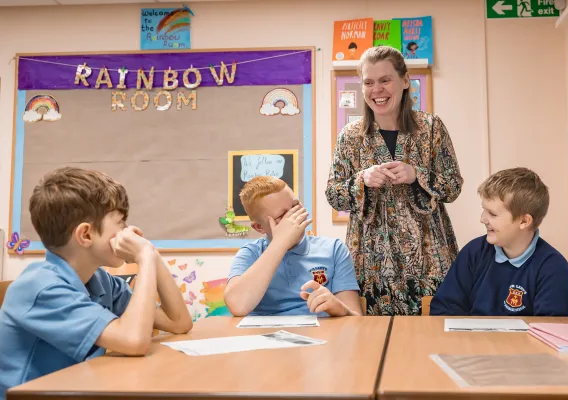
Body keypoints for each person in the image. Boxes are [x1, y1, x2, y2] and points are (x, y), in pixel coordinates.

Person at [0, 167, 192, 398]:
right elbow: (134, 341)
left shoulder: (100, 281)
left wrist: (151, 253)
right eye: (121, 223)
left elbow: (179, 323)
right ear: (86, 235)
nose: (128, 231)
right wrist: (144, 259)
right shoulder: (41, 288)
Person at [326, 46, 463, 315]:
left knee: (431, 340)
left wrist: (417, 175)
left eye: (385, 80)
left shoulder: (431, 128)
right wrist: (361, 179)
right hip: (370, 261)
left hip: (429, 259)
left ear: (404, 81)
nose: (377, 89)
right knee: (371, 344)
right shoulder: (350, 136)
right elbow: (333, 193)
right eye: (369, 82)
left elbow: (453, 185)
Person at [430, 167, 568, 316]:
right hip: (470, 339)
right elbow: (443, 309)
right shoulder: (473, 252)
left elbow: (551, 331)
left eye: (492, 214)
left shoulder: (554, 269)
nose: (482, 219)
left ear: (524, 221)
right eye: (484, 210)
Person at [225, 176, 362, 317]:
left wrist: (339, 308)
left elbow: (357, 319)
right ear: (259, 227)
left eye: (296, 205)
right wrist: (280, 242)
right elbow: (238, 306)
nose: (296, 215)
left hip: (322, 335)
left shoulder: (334, 249)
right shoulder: (250, 254)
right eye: (283, 215)